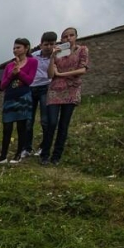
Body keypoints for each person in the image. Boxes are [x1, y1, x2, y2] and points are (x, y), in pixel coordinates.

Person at [41, 27, 89, 166]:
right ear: (61, 39)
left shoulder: (82, 50)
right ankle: (44, 154)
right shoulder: (58, 52)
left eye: (71, 35)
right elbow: (50, 75)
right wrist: (52, 58)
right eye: (65, 36)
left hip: (72, 89)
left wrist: (61, 74)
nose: (68, 38)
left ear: (76, 36)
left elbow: (82, 69)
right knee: (51, 123)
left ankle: (56, 156)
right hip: (55, 90)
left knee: (64, 124)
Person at [0, 38, 38, 165]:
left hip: (23, 96)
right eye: (14, 48)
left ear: (26, 48)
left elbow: (29, 80)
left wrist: (19, 72)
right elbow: (3, 85)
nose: (15, 50)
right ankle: (3, 156)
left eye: (18, 47)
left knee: (21, 127)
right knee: (7, 127)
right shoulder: (9, 65)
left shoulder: (32, 62)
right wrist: (12, 73)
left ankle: (18, 154)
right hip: (9, 97)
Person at [22, 31, 56, 158]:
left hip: (46, 88)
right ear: (41, 45)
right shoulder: (33, 56)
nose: (48, 47)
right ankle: (27, 148)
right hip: (31, 88)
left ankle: (44, 147)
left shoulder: (56, 57)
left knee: (45, 120)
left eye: (51, 44)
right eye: (46, 44)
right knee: (28, 120)